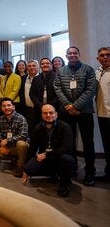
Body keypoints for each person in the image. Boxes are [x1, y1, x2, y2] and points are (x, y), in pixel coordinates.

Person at [54, 46, 96, 186]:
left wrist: (76, 106)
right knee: (68, 142)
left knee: (88, 142)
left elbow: (91, 90)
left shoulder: (88, 69)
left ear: (79, 54)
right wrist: (69, 106)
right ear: (66, 56)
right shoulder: (61, 71)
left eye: (75, 53)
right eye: (69, 53)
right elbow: (58, 88)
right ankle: (71, 168)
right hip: (66, 112)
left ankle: (90, 172)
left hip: (84, 112)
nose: (72, 55)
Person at [23, 104, 75, 197]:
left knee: (67, 159)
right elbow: (32, 148)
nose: (48, 115)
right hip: (46, 159)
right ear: (42, 115)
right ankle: (53, 173)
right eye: (45, 113)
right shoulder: (38, 127)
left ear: (56, 114)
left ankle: (64, 185)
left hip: (60, 158)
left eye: (51, 113)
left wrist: (47, 154)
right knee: (29, 169)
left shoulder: (65, 127)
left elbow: (67, 148)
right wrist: (25, 169)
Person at [0, 98, 29, 177]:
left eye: (9, 105)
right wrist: (2, 145)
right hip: (9, 146)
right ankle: (14, 159)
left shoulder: (21, 118)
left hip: (20, 146)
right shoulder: (0, 119)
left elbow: (23, 135)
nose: (6, 108)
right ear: (1, 108)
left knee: (21, 144)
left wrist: (7, 140)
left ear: (13, 107)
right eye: (4, 106)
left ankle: (21, 166)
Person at [95, 46, 110, 181]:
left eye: (108, 55)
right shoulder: (97, 72)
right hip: (102, 114)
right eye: (102, 55)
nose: (105, 57)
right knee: (107, 145)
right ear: (98, 58)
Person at [18, 59, 39, 136]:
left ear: (37, 67)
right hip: (26, 110)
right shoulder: (23, 78)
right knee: (28, 131)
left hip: (39, 110)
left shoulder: (42, 78)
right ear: (27, 68)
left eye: (34, 65)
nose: (31, 67)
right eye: (29, 66)